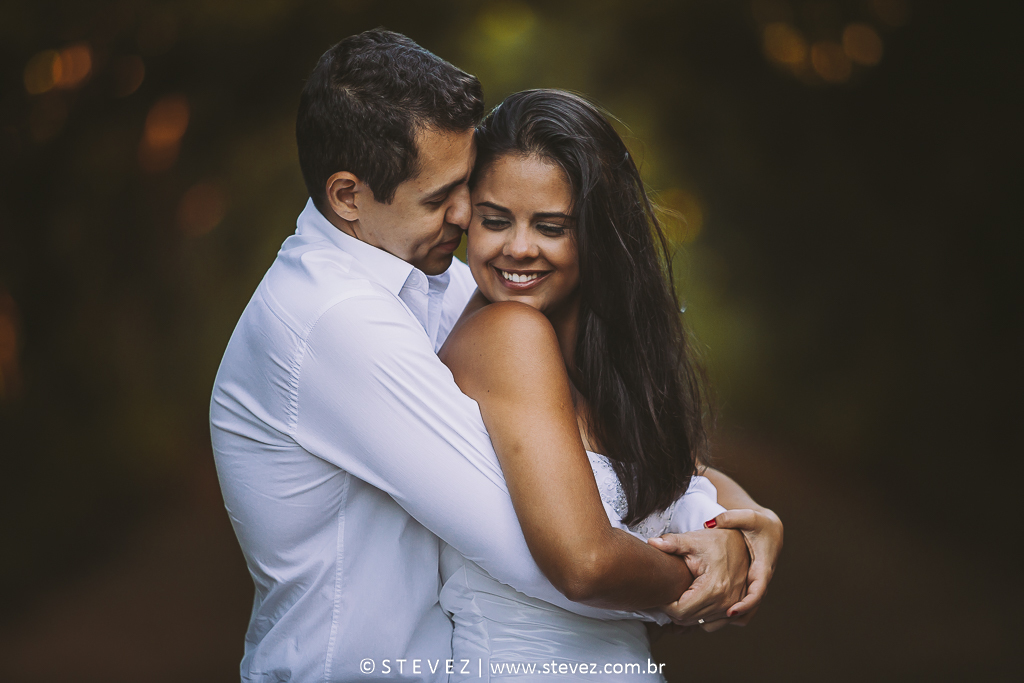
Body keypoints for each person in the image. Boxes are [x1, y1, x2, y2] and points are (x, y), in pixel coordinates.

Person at [210, 30, 779, 682]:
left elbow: (626, 463)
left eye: (467, 191)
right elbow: (570, 558)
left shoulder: (441, 282)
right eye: (440, 198)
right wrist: (707, 574)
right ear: (348, 197)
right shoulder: (333, 321)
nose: (462, 217)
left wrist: (746, 523)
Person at [435, 89, 782, 681]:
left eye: (551, 226)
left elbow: (684, 476)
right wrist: (709, 569)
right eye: (494, 221)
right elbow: (588, 564)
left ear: (598, 233)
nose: (518, 248)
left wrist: (757, 525)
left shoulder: (594, 364)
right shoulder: (507, 334)